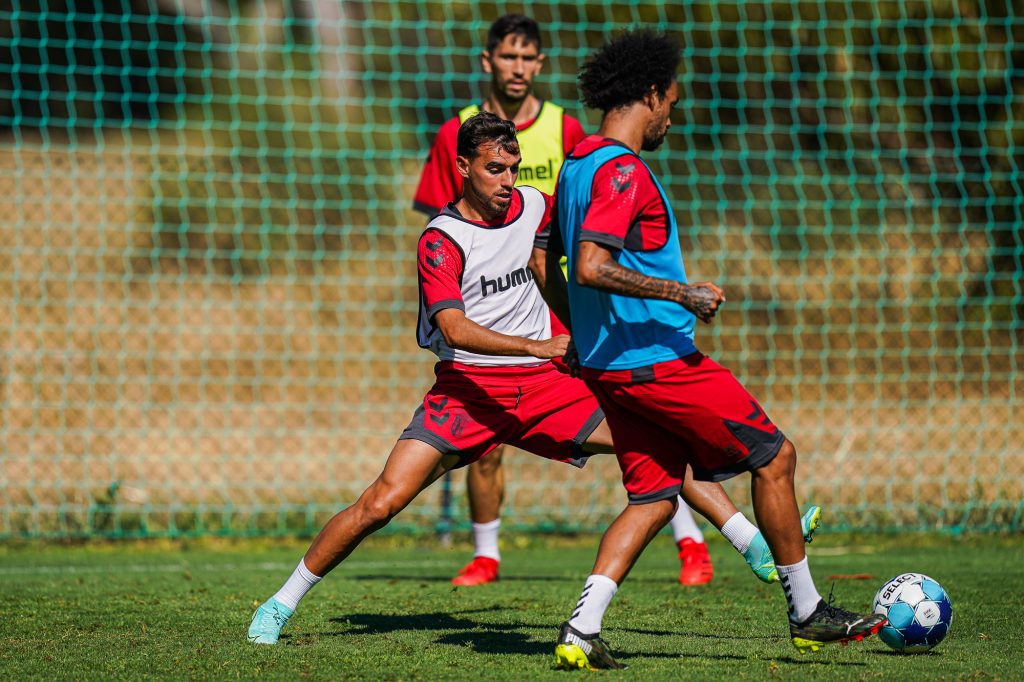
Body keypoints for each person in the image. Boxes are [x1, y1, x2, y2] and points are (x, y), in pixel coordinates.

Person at [247, 114, 811, 646]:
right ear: (463, 167)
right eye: (495, 168)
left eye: (514, 168)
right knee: (381, 502)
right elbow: (454, 326)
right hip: (468, 391)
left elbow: (577, 254)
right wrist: (537, 343)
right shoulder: (440, 240)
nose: (507, 180)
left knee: (660, 446)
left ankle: (755, 545)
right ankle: (280, 603)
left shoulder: (536, 207)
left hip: (547, 388)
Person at [541, 31, 885, 669]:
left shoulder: (576, 165)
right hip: (659, 362)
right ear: (649, 94)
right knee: (775, 457)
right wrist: (680, 292)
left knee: (652, 498)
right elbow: (588, 264)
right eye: (671, 100)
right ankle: (807, 612)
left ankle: (580, 631)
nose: (673, 114)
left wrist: (583, 338)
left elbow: (545, 262)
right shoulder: (620, 169)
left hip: (611, 367)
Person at [412, 13, 784, 587]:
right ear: (488, 62)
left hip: (561, 317)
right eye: (506, 57)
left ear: (539, 64)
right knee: (492, 453)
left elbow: (562, 228)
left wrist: (565, 319)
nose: (517, 68)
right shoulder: (455, 132)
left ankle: (705, 543)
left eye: (527, 57)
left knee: (640, 438)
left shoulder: (568, 136)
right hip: (488, 319)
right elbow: (446, 223)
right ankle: (488, 557)